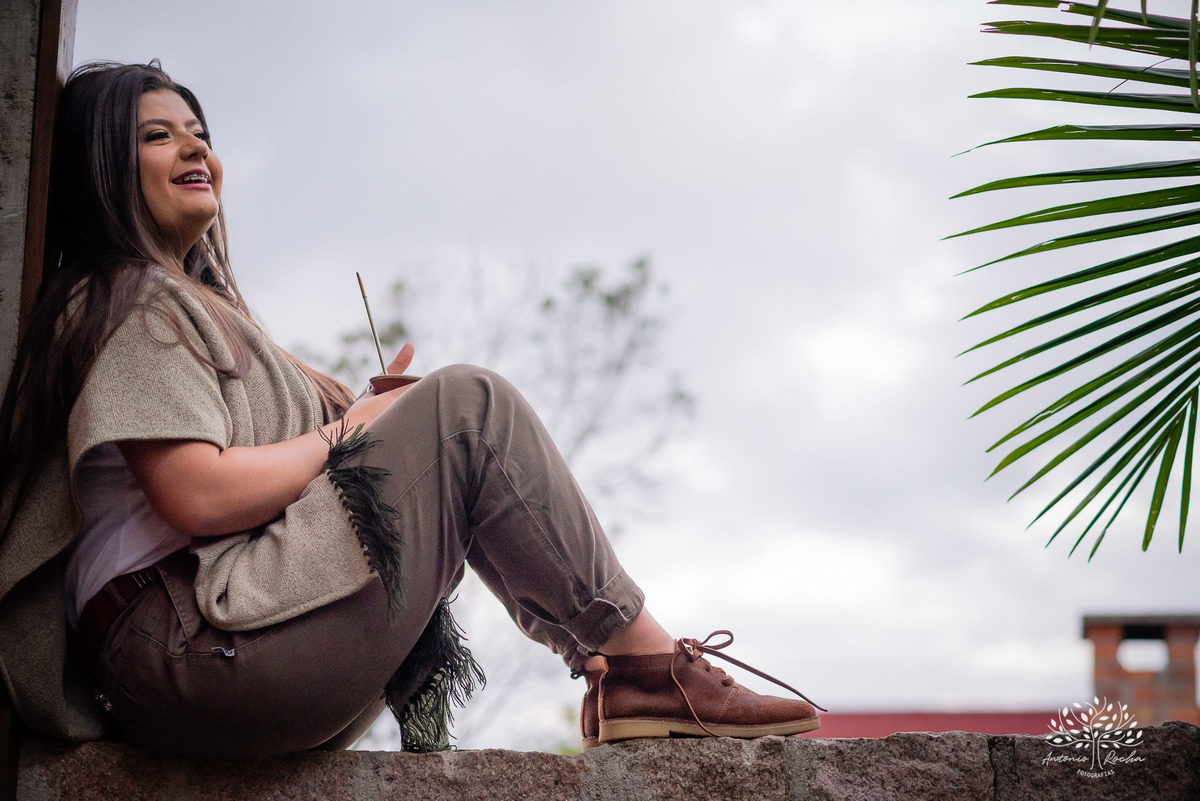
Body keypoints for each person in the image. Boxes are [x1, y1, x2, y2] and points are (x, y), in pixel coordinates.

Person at [0, 60, 822, 758]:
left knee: (453, 420)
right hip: (186, 649)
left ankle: (628, 668)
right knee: (469, 404)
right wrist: (351, 429)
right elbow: (200, 494)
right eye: (158, 134)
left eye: (200, 133)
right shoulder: (131, 301)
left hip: (210, 652)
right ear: (104, 168)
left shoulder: (191, 307)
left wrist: (367, 421)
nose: (195, 148)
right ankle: (640, 668)